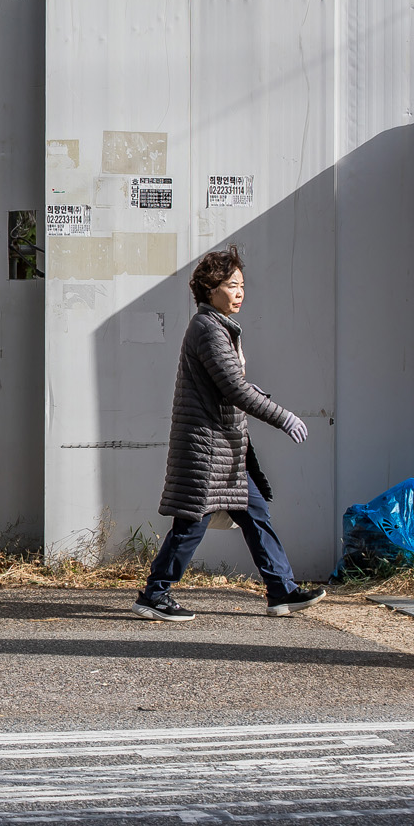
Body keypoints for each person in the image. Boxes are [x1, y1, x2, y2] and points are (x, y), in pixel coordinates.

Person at [132, 245, 327, 623]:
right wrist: (282, 416)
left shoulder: (219, 326)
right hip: (207, 449)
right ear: (210, 288)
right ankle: (155, 594)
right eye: (232, 284)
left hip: (226, 450)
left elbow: (233, 385)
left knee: (256, 514)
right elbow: (234, 388)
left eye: (242, 285)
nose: (240, 292)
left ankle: (281, 591)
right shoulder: (207, 329)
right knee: (191, 523)